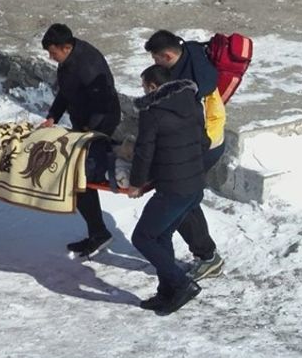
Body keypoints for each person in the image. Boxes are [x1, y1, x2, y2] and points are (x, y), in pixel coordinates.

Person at [145, 30, 227, 281]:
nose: (155, 65)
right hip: (207, 140)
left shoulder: (191, 84)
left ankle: (207, 256)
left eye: (158, 60)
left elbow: (187, 125)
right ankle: (205, 254)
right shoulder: (190, 50)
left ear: (168, 55)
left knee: (179, 199)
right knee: (183, 200)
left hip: (204, 145)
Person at [127, 64, 208, 315]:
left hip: (172, 188)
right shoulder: (193, 103)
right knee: (161, 236)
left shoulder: (152, 112)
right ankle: (167, 291)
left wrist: (136, 183)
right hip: (194, 186)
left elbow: (144, 152)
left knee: (142, 237)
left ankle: (182, 284)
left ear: (152, 86)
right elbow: (204, 141)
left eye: (144, 86)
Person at [39, 23, 122, 258]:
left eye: (53, 53)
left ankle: (99, 232)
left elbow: (103, 104)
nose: (51, 57)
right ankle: (97, 231)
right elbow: (65, 92)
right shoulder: (68, 62)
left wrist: (88, 131)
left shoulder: (89, 66)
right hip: (83, 120)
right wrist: (53, 116)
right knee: (79, 178)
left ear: (66, 47)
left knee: (81, 175)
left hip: (100, 121)